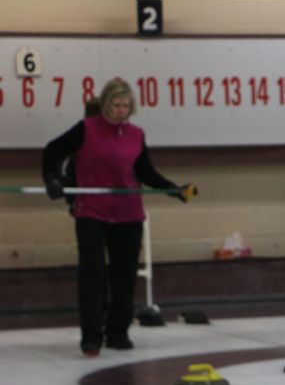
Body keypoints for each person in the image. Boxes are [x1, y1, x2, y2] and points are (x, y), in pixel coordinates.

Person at [41, 78, 195, 357]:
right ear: (105, 105)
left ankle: (118, 332)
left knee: (124, 276)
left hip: (128, 214)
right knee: (93, 273)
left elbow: (146, 172)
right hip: (92, 211)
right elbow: (53, 150)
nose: (121, 110)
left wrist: (174, 189)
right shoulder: (86, 129)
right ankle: (91, 337)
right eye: (116, 105)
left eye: (126, 106)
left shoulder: (136, 135)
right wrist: (53, 178)